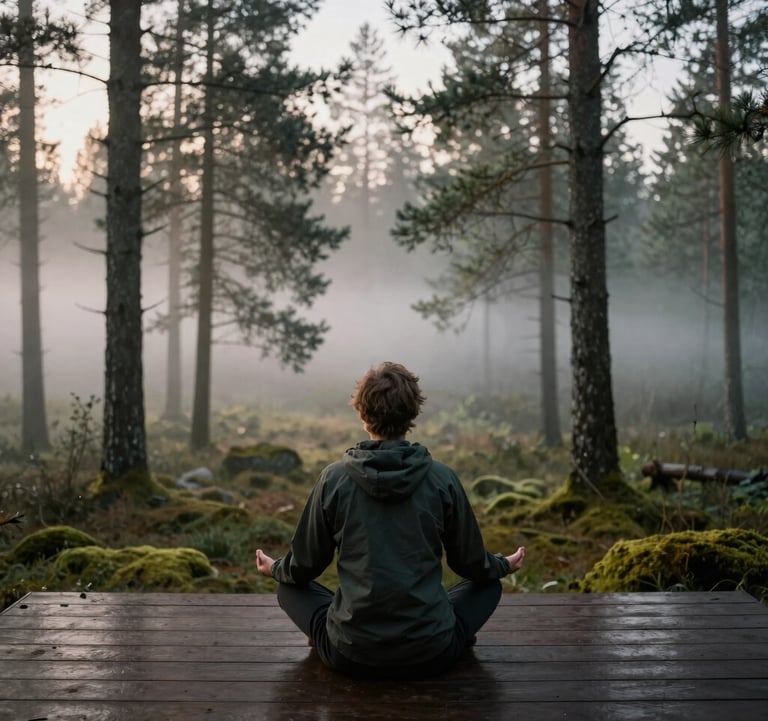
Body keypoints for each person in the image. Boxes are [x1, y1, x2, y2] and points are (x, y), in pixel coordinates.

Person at [256, 361, 525, 679]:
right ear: (412, 415)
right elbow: (471, 565)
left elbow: (303, 567)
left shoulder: (334, 479)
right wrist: (503, 565)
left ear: (361, 413)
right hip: (431, 653)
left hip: (350, 653)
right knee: (488, 586)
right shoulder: (442, 478)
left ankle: (326, 635)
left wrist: (274, 568)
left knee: (288, 588)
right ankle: (454, 635)